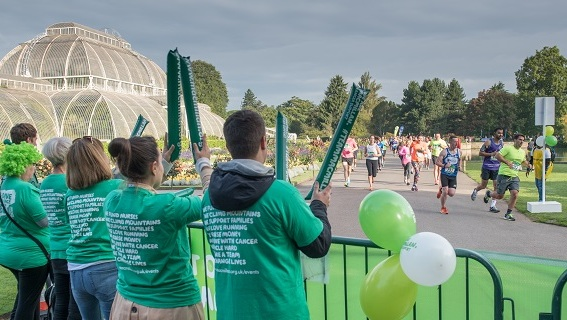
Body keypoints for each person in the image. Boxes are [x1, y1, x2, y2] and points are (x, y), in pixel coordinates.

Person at [201, 110, 332, 320]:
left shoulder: (209, 198)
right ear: (264, 142)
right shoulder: (281, 193)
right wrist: (318, 205)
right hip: (281, 312)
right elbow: (318, 244)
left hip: (231, 312)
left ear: (228, 146)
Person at [104, 135, 212, 319]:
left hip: (125, 304)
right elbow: (211, 199)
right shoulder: (169, 206)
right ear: (154, 167)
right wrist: (203, 163)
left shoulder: (112, 200)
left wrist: (160, 164)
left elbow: (138, 185)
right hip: (171, 305)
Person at [65, 136, 123, 320]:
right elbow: (145, 188)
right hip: (105, 265)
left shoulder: (70, 194)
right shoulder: (114, 187)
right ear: (100, 159)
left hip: (76, 268)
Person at [0, 142, 49, 320]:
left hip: (8, 251)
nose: (34, 169)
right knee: (27, 304)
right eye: (32, 164)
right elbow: (43, 221)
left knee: (27, 297)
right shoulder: (25, 189)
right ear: (23, 165)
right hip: (30, 255)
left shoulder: (4, 185)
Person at [39, 137, 81, 320]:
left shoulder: (45, 183)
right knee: (75, 303)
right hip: (71, 248)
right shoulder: (69, 182)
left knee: (61, 300)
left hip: (55, 247)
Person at [484, 133, 532, 221]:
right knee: (499, 196)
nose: (521, 141)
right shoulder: (508, 148)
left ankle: (508, 213)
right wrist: (507, 162)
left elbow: (523, 161)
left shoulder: (522, 152)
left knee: (515, 193)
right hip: (504, 175)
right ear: (515, 140)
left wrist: (528, 165)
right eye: (520, 139)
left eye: (523, 140)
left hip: (514, 176)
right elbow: (498, 155)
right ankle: (489, 194)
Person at [472, 128, 504, 213]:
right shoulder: (488, 142)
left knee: (496, 186)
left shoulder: (501, 143)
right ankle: (476, 190)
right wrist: (491, 154)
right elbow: (480, 153)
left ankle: (492, 206)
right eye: (499, 133)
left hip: (497, 167)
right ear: (495, 133)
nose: (500, 135)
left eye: (501, 133)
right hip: (487, 166)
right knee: (483, 185)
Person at [7, 123, 40, 187]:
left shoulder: (9, 163)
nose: (35, 144)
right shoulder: (25, 164)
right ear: (29, 140)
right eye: (35, 140)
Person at [435, 136, 462, 214]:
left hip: (453, 175)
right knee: (445, 191)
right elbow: (437, 162)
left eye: (457, 141)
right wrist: (444, 165)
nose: (456, 143)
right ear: (450, 142)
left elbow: (460, 160)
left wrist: (459, 166)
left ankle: (441, 189)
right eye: (454, 141)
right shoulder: (444, 152)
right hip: (445, 174)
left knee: (451, 193)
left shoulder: (459, 152)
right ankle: (443, 207)